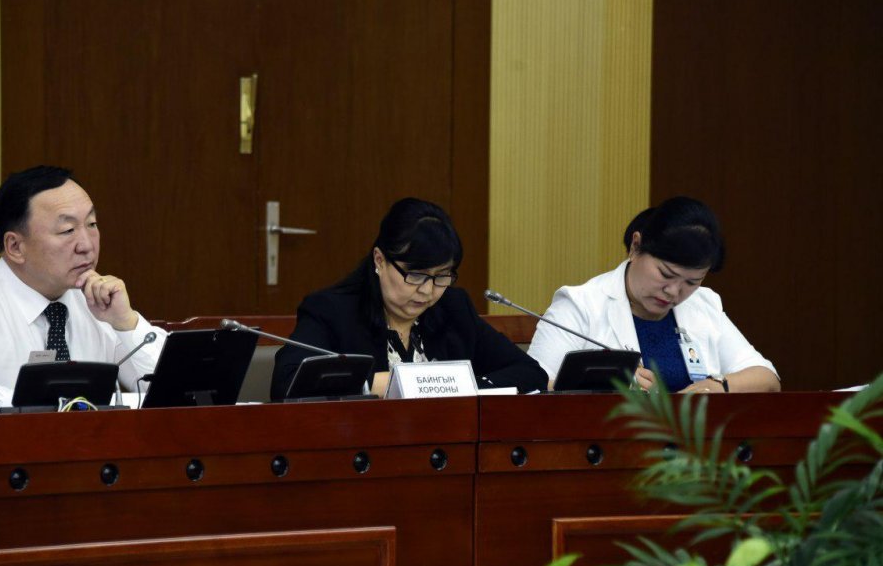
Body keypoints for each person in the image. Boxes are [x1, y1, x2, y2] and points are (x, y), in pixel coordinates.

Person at [0, 166, 166, 406]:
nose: (87, 245)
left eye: (92, 224)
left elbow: (170, 391)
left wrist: (126, 322)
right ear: (15, 247)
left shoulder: (98, 301)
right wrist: (51, 402)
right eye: (67, 230)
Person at [270, 198, 548, 401]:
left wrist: (460, 385)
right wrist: (389, 384)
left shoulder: (454, 308)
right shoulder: (333, 311)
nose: (427, 291)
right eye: (415, 275)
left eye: (442, 276)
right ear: (380, 260)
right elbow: (287, 383)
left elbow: (530, 372)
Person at [527, 197, 780, 393]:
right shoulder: (580, 304)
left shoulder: (703, 303)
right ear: (636, 246)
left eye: (691, 282)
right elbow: (530, 386)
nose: (674, 292)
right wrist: (603, 386)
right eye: (665, 274)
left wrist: (716, 386)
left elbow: (767, 378)